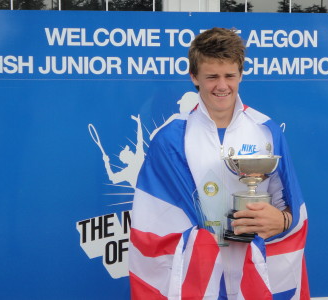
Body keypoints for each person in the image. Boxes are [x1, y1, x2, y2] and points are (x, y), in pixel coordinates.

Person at [129, 27, 309, 300]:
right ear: (194, 77)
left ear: (241, 74)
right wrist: (201, 243)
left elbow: (291, 205)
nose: (222, 86)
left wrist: (282, 220)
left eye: (230, 76)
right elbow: (151, 220)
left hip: (254, 271)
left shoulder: (266, 130)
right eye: (211, 76)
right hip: (198, 276)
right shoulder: (170, 138)